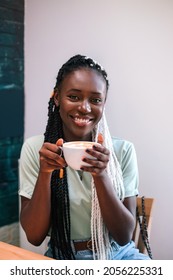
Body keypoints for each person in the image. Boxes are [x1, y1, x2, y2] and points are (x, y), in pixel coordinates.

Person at [19, 54, 150, 260]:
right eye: (74, 96)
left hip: (118, 255)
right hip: (63, 255)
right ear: (56, 98)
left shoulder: (122, 151)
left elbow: (124, 236)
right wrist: (45, 173)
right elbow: (34, 236)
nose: (85, 107)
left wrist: (101, 175)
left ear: (104, 104)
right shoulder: (36, 149)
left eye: (96, 100)